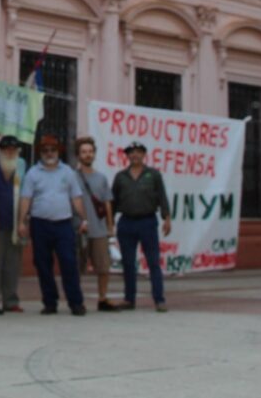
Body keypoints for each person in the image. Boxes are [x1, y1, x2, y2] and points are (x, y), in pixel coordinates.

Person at [17, 134, 88, 316]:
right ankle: (50, 302)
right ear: (40, 153)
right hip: (40, 224)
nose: (49, 153)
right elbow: (26, 198)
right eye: (45, 150)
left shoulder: (68, 172)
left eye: (53, 150)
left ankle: (76, 302)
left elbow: (76, 197)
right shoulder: (33, 173)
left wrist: (84, 218)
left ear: (59, 152)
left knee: (69, 262)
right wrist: (21, 222)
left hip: (64, 224)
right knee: (42, 264)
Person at [111, 140, 172, 313]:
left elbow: (162, 197)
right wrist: (109, 222)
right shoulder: (120, 176)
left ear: (144, 154)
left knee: (153, 262)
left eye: (138, 152)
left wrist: (167, 218)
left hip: (147, 221)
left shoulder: (153, 175)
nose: (135, 155)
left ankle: (159, 299)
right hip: (126, 222)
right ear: (127, 155)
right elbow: (113, 201)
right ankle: (129, 299)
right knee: (128, 263)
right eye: (131, 152)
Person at [75, 136, 118, 312]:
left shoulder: (101, 178)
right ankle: (77, 299)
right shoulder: (72, 176)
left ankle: (103, 298)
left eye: (90, 152)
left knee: (103, 267)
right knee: (77, 268)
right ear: (78, 155)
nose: (87, 155)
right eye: (84, 152)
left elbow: (107, 202)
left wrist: (110, 225)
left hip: (99, 229)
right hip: (79, 229)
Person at [0, 135, 26, 312]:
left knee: (13, 264)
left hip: (16, 222)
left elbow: (27, 194)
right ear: (0, 150)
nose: (10, 152)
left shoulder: (22, 166)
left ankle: (11, 300)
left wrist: (23, 221)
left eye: (14, 149)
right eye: (7, 148)